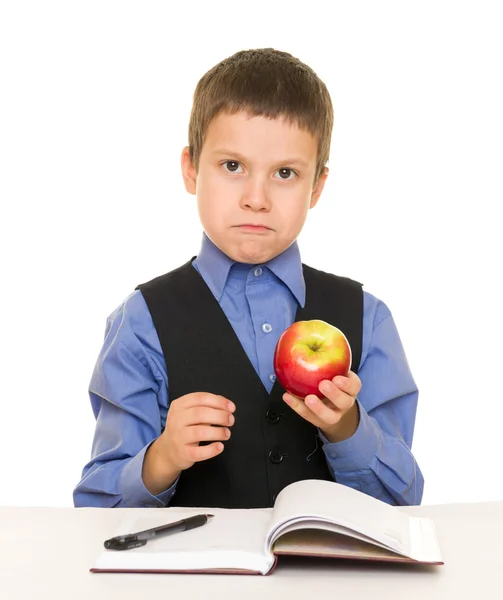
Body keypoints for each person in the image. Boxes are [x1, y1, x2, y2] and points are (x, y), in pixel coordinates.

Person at [73, 48, 424, 510]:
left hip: (332, 583)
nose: (256, 199)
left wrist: (347, 428)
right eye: (233, 166)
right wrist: (162, 457)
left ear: (316, 187)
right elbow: (98, 512)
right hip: (193, 582)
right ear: (191, 168)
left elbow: (404, 504)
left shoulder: (367, 318)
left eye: (285, 173)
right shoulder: (141, 322)